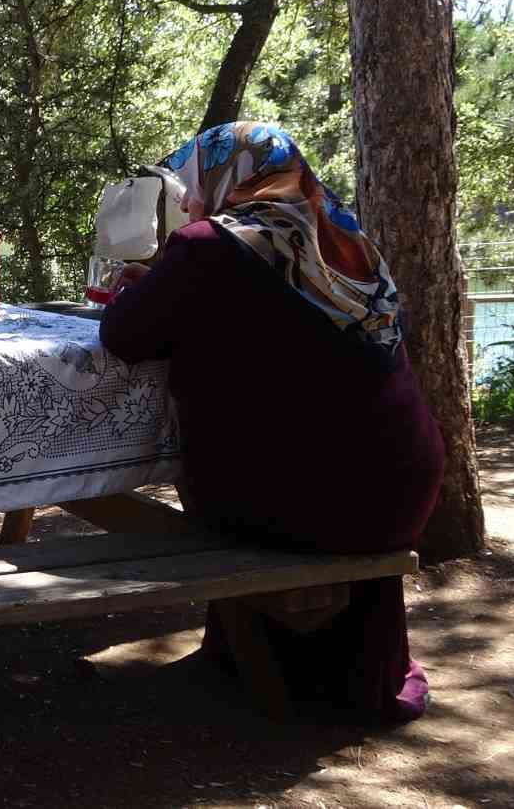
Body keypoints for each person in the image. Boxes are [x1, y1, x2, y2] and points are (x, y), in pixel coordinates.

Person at [99, 121, 444, 724]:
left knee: (189, 481)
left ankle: (263, 661)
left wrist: (149, 287)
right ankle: (328, 665)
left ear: (226, 178)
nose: (187, 199)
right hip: (403, 485)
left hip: (308, 500)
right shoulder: (341, 233)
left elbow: (125, 336)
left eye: (190, 185)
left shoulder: (209, 244)